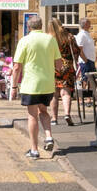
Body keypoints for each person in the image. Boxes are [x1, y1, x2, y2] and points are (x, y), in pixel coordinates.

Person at [11, 15, 63, 158]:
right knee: (43, 111)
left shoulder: (24, 41)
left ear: (28, 27)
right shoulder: (50, 40)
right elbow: (59, 64)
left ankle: (34, 150)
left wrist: (14, 87)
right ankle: (48, 136)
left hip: (31, 84)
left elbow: (16, 67)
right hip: (47, 84)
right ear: (41, 26)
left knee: (32, 115)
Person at [50, 17, 80, 126]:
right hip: (67, 66)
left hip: (53, 66)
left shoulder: (50, 38)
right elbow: (76, 51)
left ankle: (54, 118)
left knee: (54, 93)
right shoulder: (69, 37)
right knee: (65, 92)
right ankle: (67, 114)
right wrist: (75, 61)